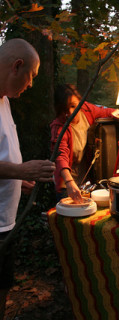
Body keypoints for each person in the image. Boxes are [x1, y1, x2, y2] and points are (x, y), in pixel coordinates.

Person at [0, 38, 56, 320]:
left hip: (4, 220)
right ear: (16, 66)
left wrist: (15, 179)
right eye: (31, 76)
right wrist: (21, 171)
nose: (31, 84)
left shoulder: (4, 101)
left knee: (3, 285)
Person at [50, 84, 119, 202]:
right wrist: (69, 182)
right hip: (66, 182)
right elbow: (60, 156)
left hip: (85, 180)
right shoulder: (58, 127)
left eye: (73, 106)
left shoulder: (86, 110)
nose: (71, 112)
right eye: (65, 109)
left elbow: (105, 112)